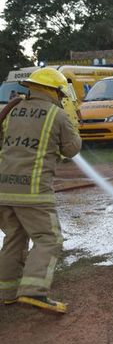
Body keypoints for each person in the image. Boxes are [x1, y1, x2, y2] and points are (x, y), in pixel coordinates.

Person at [0, 67, 82, 313]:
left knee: (14, 238)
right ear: (53, 91)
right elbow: (72, 149)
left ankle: (8, 292)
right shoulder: (56, 115)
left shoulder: (13, 111)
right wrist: (72, 123)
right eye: (60, 93)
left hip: (3, 189)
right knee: (49, 239)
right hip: (33, 191)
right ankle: (34, 292)